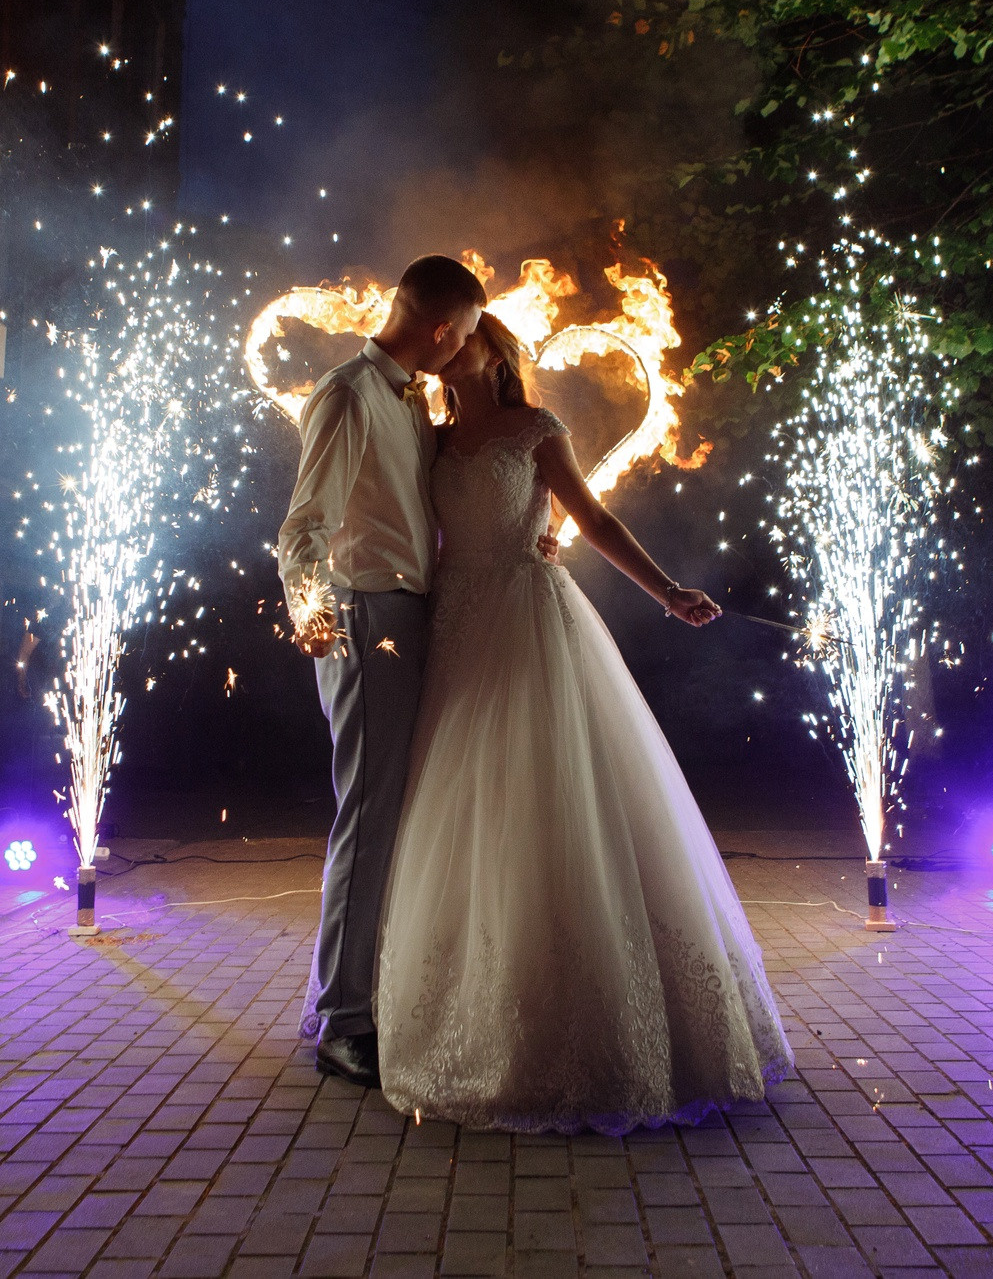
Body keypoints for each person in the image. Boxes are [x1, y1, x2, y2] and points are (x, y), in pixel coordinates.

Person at [375, 312, 793, 1132]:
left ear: (498, 353)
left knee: (555, 788)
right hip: (459, 623)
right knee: (470, 807)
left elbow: (594, 520)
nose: (455, 348)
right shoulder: (427, 435)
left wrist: (668, 591)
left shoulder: (534, 428)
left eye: (472, 338)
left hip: (531, 617)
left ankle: (604, 1027)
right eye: (450, 339)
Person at [277, 254, 487, 1088]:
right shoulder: (349, 395)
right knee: (367, 816)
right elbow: (302, 528)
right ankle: (342, 1018)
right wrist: (313, 612)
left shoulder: (408, 399)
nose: (465, 348)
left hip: (406, 613)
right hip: (366, 618)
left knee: (391, 812)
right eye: (465, 334)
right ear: (442, 328)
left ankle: (366, 996)